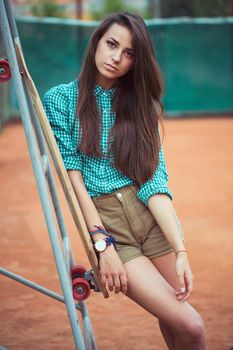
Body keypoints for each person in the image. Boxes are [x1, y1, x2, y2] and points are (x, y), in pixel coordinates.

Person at [43, 12, 208, 350]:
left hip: (149, 217)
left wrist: (180, 249)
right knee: (192, 326)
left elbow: (154, 181)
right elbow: (73, 181)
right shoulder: (59, 100)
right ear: (97, 43)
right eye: (112, 44)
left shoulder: (141, 104)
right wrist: (102, 246)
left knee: (175, 324)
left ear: (137, 62)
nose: (116, 57)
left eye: (129, 53)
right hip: (111, 227)